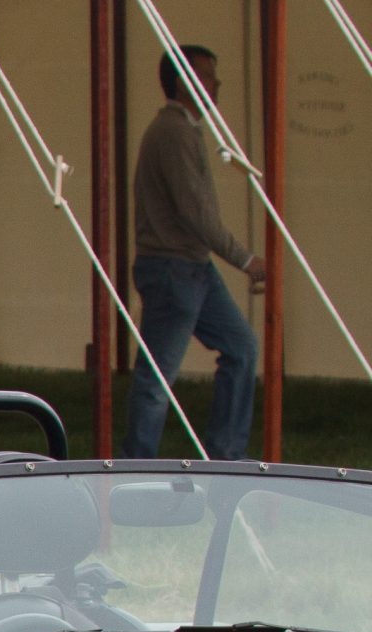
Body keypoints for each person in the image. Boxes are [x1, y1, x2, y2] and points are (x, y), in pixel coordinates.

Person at [123, 43, 263, 460]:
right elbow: (195, 213)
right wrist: (245, 259)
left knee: (241, 348)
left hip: (190, 267)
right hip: (173, 267)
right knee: (157, 379)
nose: (216, 85)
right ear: (186, 82)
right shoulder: (174, 132)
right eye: (208, 76)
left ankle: (225, 456)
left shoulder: (180, 130)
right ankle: (134, 465)